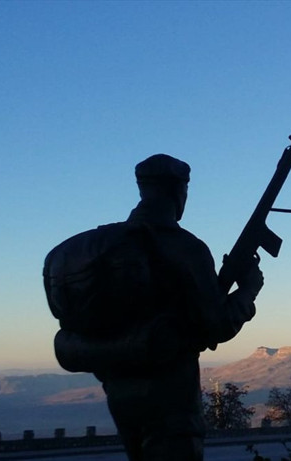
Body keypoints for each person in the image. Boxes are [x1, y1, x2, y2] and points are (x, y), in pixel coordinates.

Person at [55, 153, 263, 461]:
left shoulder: (110, 245)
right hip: (172, 400)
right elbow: (217, 326)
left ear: (143, 189)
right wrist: (248, 290)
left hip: (120, 393)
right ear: (179, 191)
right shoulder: (185, 247)